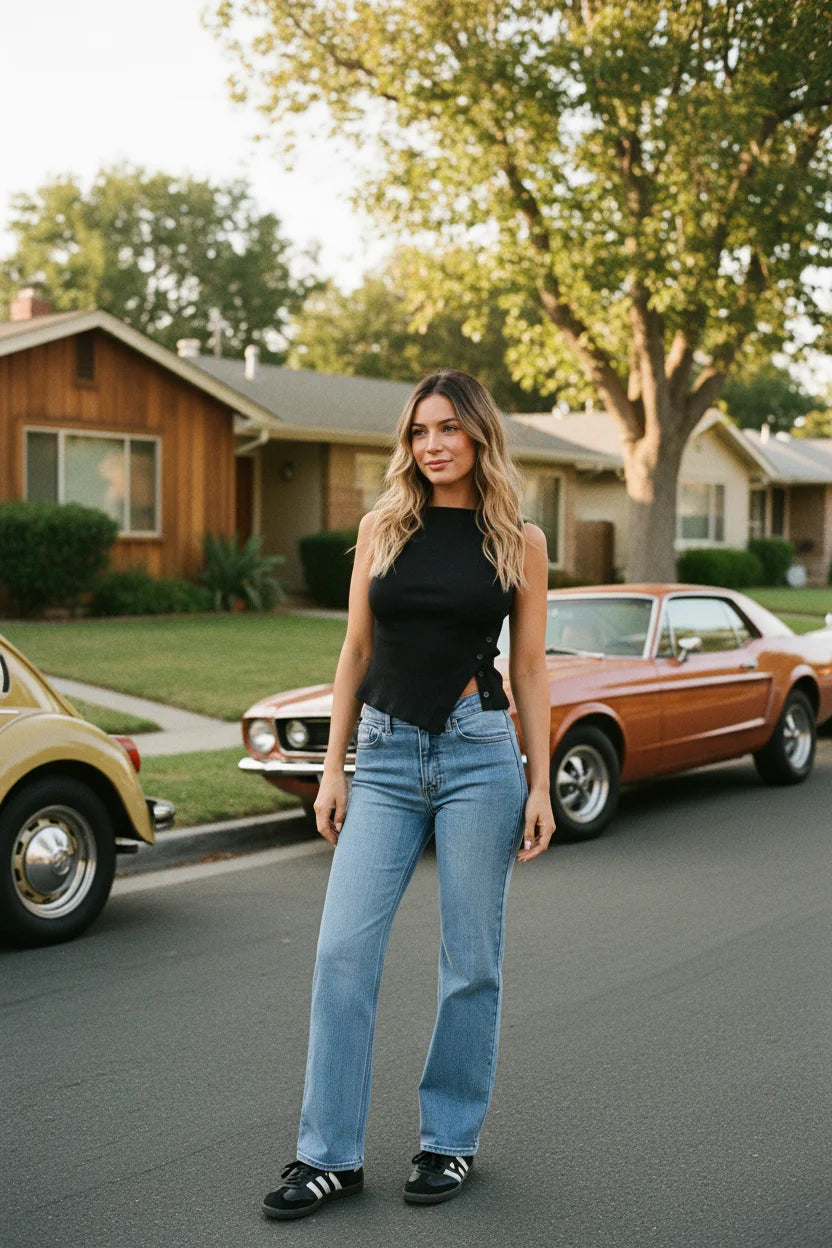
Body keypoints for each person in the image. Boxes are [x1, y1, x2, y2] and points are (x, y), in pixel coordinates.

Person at [262, 368, 556, 1220]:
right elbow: (354, 653)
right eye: (420, 430)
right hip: (385, 760)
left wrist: (541, 781)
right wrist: (332, 766)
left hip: (478, 757)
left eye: (448, 429)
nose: (432, 444)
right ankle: (327, 1156)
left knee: (471, 962)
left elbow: (531, 668)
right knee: (340, 954)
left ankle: (449, 1141)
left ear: (478, 437)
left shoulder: (518, 539)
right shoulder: (382, 525)